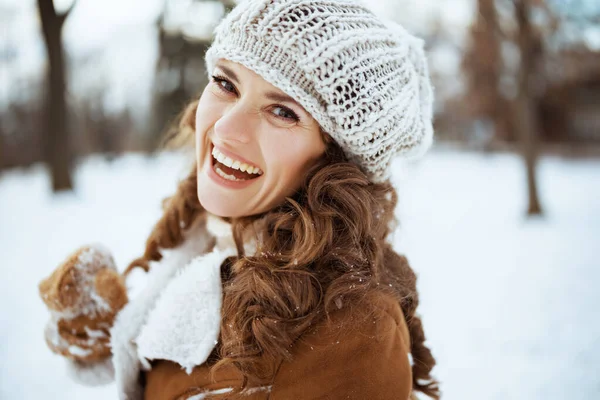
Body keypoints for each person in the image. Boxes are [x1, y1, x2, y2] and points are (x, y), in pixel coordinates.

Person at [39, 0, 439, 399]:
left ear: (337, 162)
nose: (226, 129)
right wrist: (110, 332)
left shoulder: (353, 333)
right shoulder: (201, 238)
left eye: (283, 111)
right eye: (226, 84)